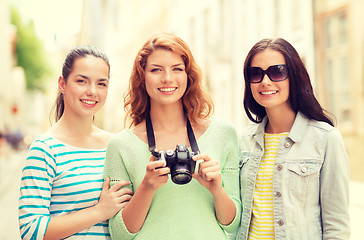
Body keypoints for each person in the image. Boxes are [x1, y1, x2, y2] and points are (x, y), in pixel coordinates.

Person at [103, 32, 241, 239]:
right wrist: (147, 187)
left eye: (177, 69)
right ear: (142, 77)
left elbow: (233, 225)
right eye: (156, 70)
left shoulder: (223, 133)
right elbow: (119, 234)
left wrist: (217, 190)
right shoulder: (121, 145)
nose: (167, 78)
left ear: (188, 76)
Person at [236, 38, 350, 240]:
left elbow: (337, 226)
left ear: (294, 77)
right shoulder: (245, 140)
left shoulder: (325, 138)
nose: (265, 81)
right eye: (255, 73)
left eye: (277, 71)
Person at [18, 45, 133, 240]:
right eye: (82, 81)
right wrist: (99, 211)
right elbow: (31, 230)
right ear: (62, 84)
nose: (92, 91)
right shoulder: (45, 149)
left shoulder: (116, 145)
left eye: (101, 84)